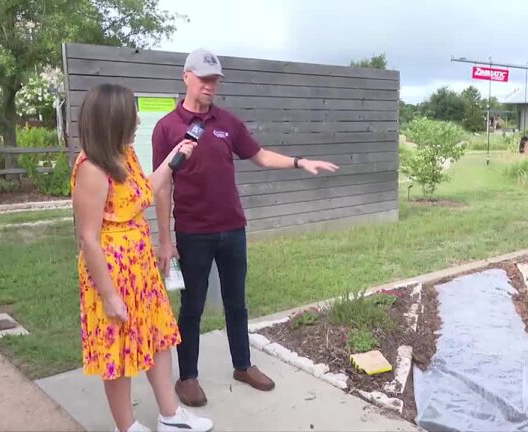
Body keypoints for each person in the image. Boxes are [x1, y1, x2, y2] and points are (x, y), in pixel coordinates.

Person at [152, 49, 339, 408]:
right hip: (193, 233)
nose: (210, 85)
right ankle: (187, 377)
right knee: (191, 306)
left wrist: (300, 162)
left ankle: (243, 365)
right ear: (186, 77)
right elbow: (162, 185)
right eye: (204, 78)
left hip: (233, 229)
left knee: (236, 302)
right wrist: (165, 240)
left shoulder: (227, 122)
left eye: (215, 79)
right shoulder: (167, 127)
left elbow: (260, 155)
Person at [71, 83, 213, 432]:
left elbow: (145, 191)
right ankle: (128, 427)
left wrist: (174, 159)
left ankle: (170, 415)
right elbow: (88, 238)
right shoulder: (92, 168)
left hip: (140, 266)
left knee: (158, 337)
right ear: (112, 121)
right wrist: (109, 296)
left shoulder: (125, 154)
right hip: (111, 274)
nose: (136, 119)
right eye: (130, 114)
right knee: (116, 354)